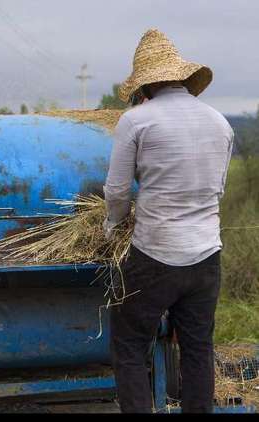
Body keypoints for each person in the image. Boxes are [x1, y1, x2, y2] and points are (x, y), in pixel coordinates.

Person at [103, 29, 234, 413]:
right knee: (197, 349)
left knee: (129, 344)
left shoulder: (136, 120)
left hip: (154, 255)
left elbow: (116, 191)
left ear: (145, 83)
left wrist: (113, 226)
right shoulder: (220, 122)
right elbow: (218, 190)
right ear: (181, 77)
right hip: (207, 257)